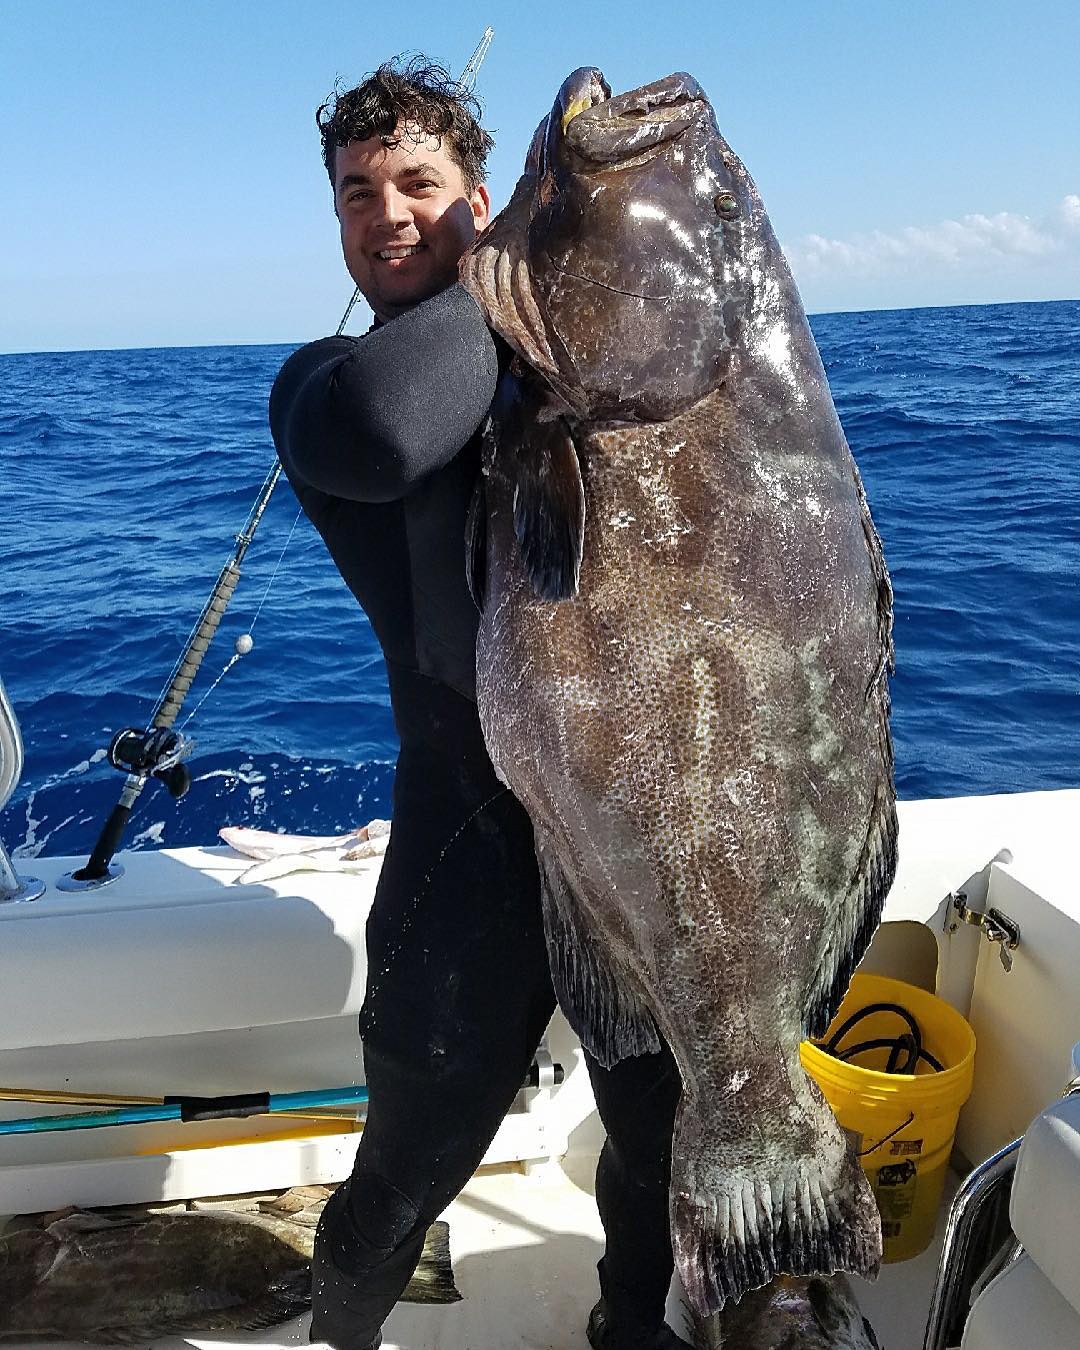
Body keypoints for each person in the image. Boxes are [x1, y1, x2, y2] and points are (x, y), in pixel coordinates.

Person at [269, 57, 689, 1350]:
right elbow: (400, 429)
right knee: (410, 1158)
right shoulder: (323, 387)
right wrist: (516, 250)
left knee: (658, 1134)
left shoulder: (560, 363)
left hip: (618, 828)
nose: (383, 210)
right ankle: (345, 1332)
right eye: (356, 191)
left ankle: (635, 1327)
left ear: (473, 189)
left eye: (417, 181)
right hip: (466, 834)